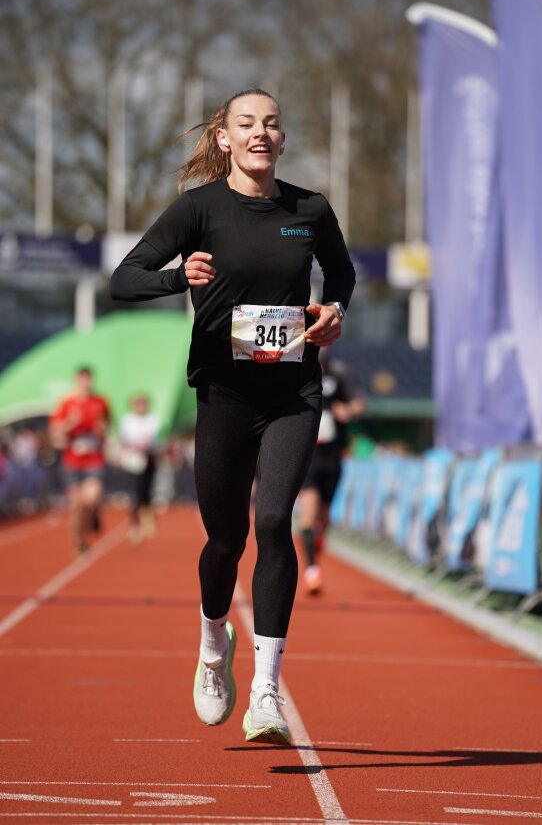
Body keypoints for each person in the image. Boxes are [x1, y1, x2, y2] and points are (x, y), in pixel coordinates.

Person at [110, 88, 355, 746]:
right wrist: (177, 277)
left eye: (271, 124)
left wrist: (334, 311)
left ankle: (267, 690)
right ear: (224, 138)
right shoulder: (200, 208)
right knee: (225, 539)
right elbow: (123, 278)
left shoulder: (309, 209)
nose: (260, 133)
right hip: (223, 394)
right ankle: (213, 643)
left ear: (282, 139)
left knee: (274, 522)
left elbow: (341, 274)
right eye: (247, 124)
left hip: (293, 391)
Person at [298, 348, 365, 594]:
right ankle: (311, 570)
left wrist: (348, 411)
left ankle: (315, 553)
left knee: (324, 518)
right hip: (308, 455)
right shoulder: (298, 369)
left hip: (333, 455)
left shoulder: (339, 373)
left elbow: (359, 403)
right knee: (309, 512)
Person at [49, 367, 111, 553]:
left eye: (88, 379)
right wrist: (70, 423)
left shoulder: (100, 402)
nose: (86, 382)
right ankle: (80, 543)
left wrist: (102, 430)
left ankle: (93, 512)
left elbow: (107, 427)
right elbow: (55, 432)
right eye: (82, 379)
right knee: (76, 506)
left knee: (90, 499)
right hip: (72, 462)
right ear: (76, 380)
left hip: (94, 460)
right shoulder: (67, 403)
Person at [119, 393, 161, 545]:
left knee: (146, 492)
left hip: (149, 461)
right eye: (137, 403)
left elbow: (157, 440)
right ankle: (135, 526)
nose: (140, 406)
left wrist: (147, 446)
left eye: (143, 403)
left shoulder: (153, 420)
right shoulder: (127, 421)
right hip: (133, 462)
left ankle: (147, 517)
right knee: (136, 493)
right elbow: (124, 441)